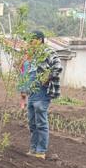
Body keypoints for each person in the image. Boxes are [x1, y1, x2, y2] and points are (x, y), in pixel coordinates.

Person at [18, 31, 63, 159]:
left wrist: (47, 77)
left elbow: (58, 67)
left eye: (31, 40)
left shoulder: (48, 52)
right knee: (32, 122)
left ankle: (41, 151)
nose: (29, 43)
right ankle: (33, 149)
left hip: (42, 92)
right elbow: (26, 74)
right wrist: (23, 92)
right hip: (32, 93)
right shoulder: (32, 55)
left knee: (41, 122)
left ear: (39, 40)